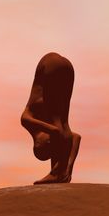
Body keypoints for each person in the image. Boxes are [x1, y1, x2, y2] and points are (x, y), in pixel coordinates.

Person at [20, 52, 81, 184]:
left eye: (48, 143)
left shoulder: (27, 119)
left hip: (49, 64)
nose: (50, 141)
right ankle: (58, 172)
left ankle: (56, 173)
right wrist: (68, 167)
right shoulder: (49, 125)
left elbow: (56, 132)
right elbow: (75, 138)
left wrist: (59, 168)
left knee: (59, 124)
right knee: (63, 123)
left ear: (36, 142)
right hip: (66, 67)